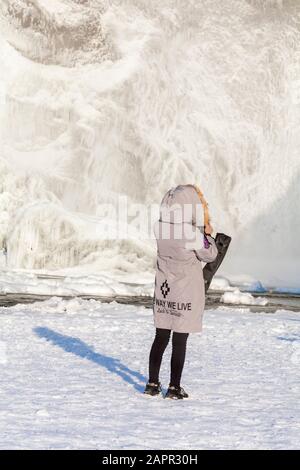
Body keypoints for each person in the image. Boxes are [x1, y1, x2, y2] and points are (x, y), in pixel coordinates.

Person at [144, 184, 218, 399]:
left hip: (164, 289)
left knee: (160, 337)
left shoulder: (159, 227)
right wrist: (208, 235)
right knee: (180, 340)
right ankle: (174, 387)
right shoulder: (192, 233)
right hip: (185, 291)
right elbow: (210, 254)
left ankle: (152, 383)